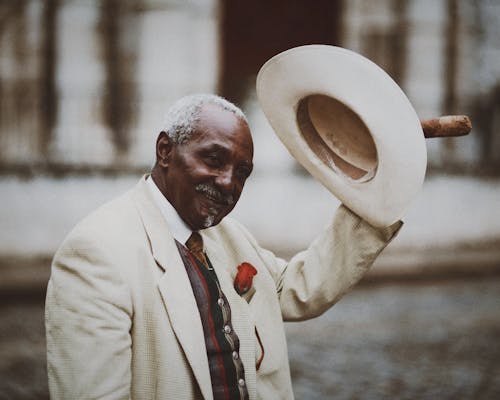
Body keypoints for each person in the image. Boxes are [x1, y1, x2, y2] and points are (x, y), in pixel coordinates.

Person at [45, 93, 402, 399]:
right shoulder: (96, 252)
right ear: (165, 150)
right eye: (213, 160)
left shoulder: (229, 236)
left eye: (242, 171)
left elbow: (298, 286)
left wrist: (378, 172)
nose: (229, 182)